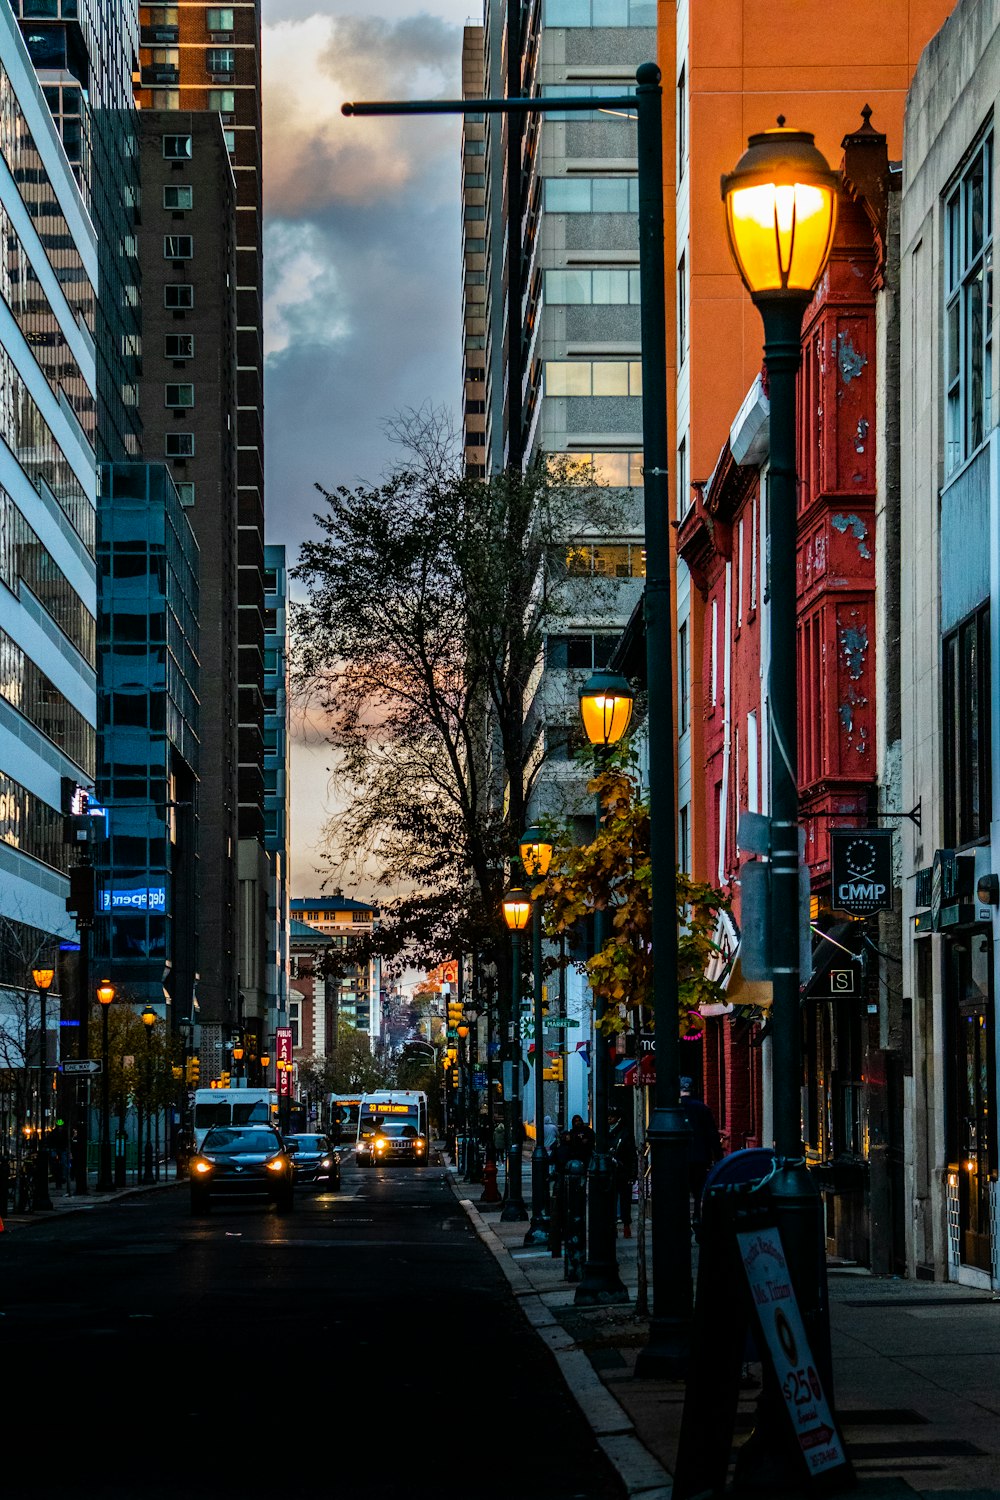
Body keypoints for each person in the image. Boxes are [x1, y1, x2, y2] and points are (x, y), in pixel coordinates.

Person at [679, 1077, 723, 1231]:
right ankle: (697, 1218)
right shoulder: (702, 1108)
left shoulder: (675, 1109)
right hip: (700, 1158)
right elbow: (712, 1135)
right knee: (699, 1192)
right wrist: (718, 1158)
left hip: (680, 1159)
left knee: (680, 1192)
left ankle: (682, 1222)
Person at [608, 1108, 638, 1237]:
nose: (609, 1118)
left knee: (624, 1199)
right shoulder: (607, 1132)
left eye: (612, 1116)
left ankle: (626, 1225)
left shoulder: (625, 1133)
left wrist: (632, 1173)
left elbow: (631, 1154)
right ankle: (614, 1225)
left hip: (622, 1170)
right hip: (612, 1171)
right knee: (611, 1200)